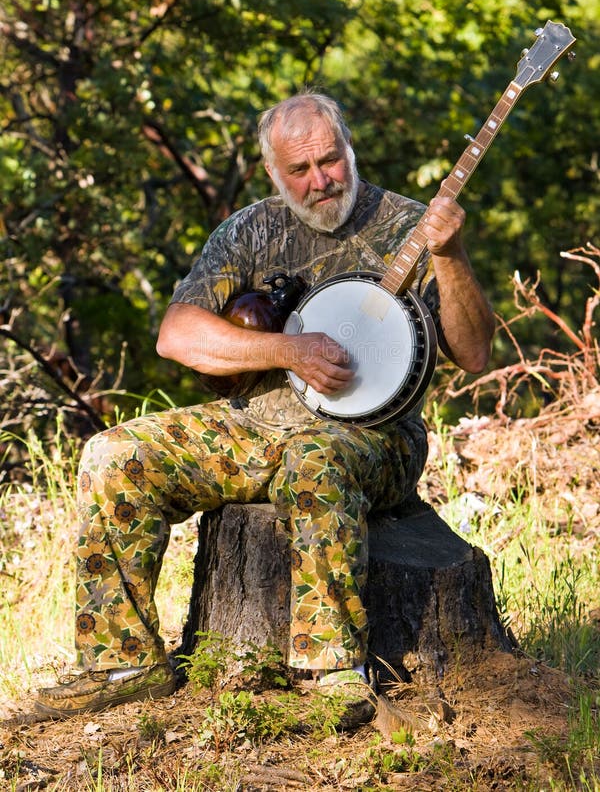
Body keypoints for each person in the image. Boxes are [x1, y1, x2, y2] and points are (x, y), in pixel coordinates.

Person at [35, 92, 495, 725]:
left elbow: (473, 352)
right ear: (275, 176)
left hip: (371, 437)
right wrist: (287, 349)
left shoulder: (409, 226)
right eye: (299, 172)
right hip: (252, 425)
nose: (319, 182)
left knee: (315, 461)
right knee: (115, 454)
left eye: (329, 162)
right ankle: (125, 664)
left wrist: (451, 255)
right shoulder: (252, 229)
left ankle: (333, 675)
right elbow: (177, 335)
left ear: (349, 149)